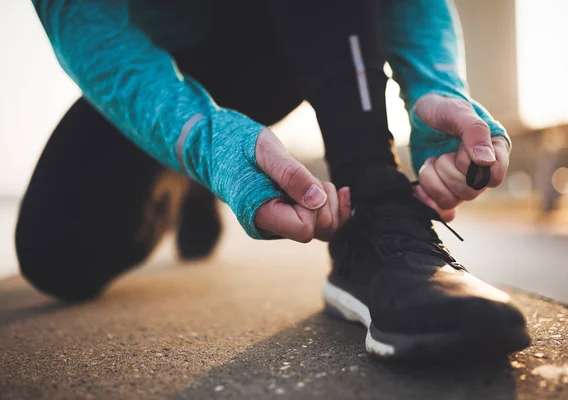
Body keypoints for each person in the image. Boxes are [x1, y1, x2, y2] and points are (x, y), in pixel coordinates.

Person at [17, 0, 530, 359]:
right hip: (151, 68)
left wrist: (435, 84)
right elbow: (82, 23)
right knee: (57, 256)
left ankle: (375, 201)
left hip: (286, 41)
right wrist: (207, 144)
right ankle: (191, 187)